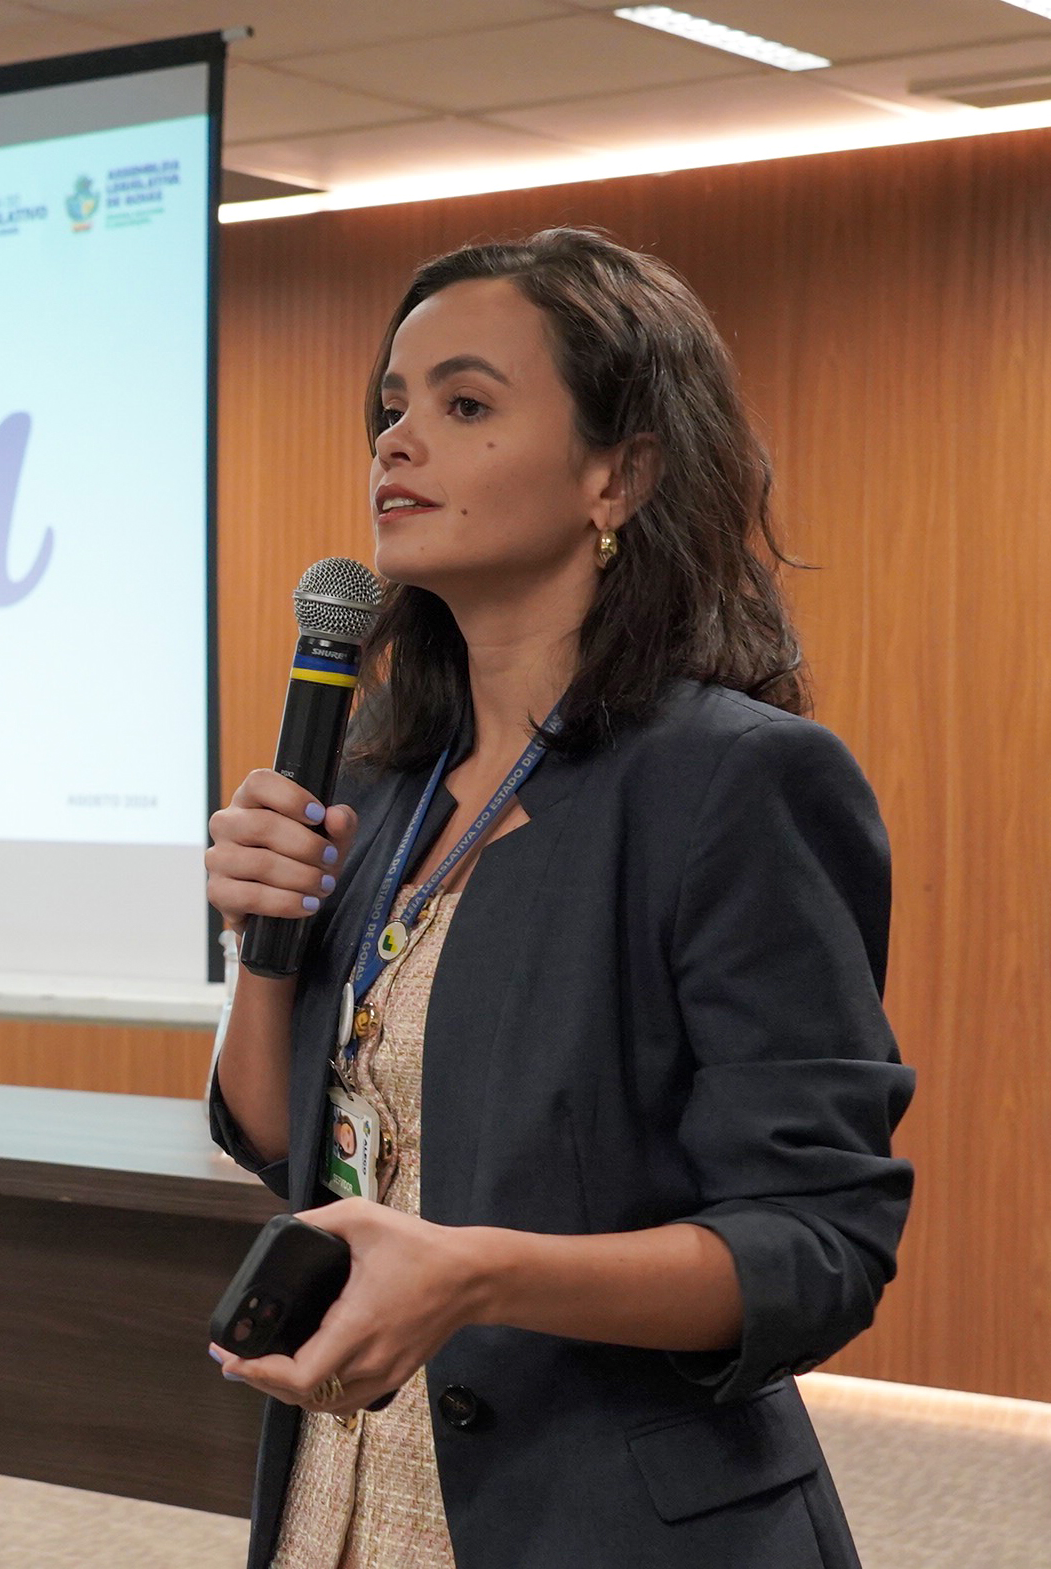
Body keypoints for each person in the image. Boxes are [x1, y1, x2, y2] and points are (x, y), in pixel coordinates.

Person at [204, 228, 912, 1568]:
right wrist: (267, 940)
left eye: (466, 404)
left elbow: (816, 1243)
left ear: (618, 474)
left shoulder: (735, 782)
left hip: (606, 1517)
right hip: (340, 1497)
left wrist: (482, 1273)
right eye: (390, 407)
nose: (397, 441)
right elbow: (286, 1141)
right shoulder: (379, 781)